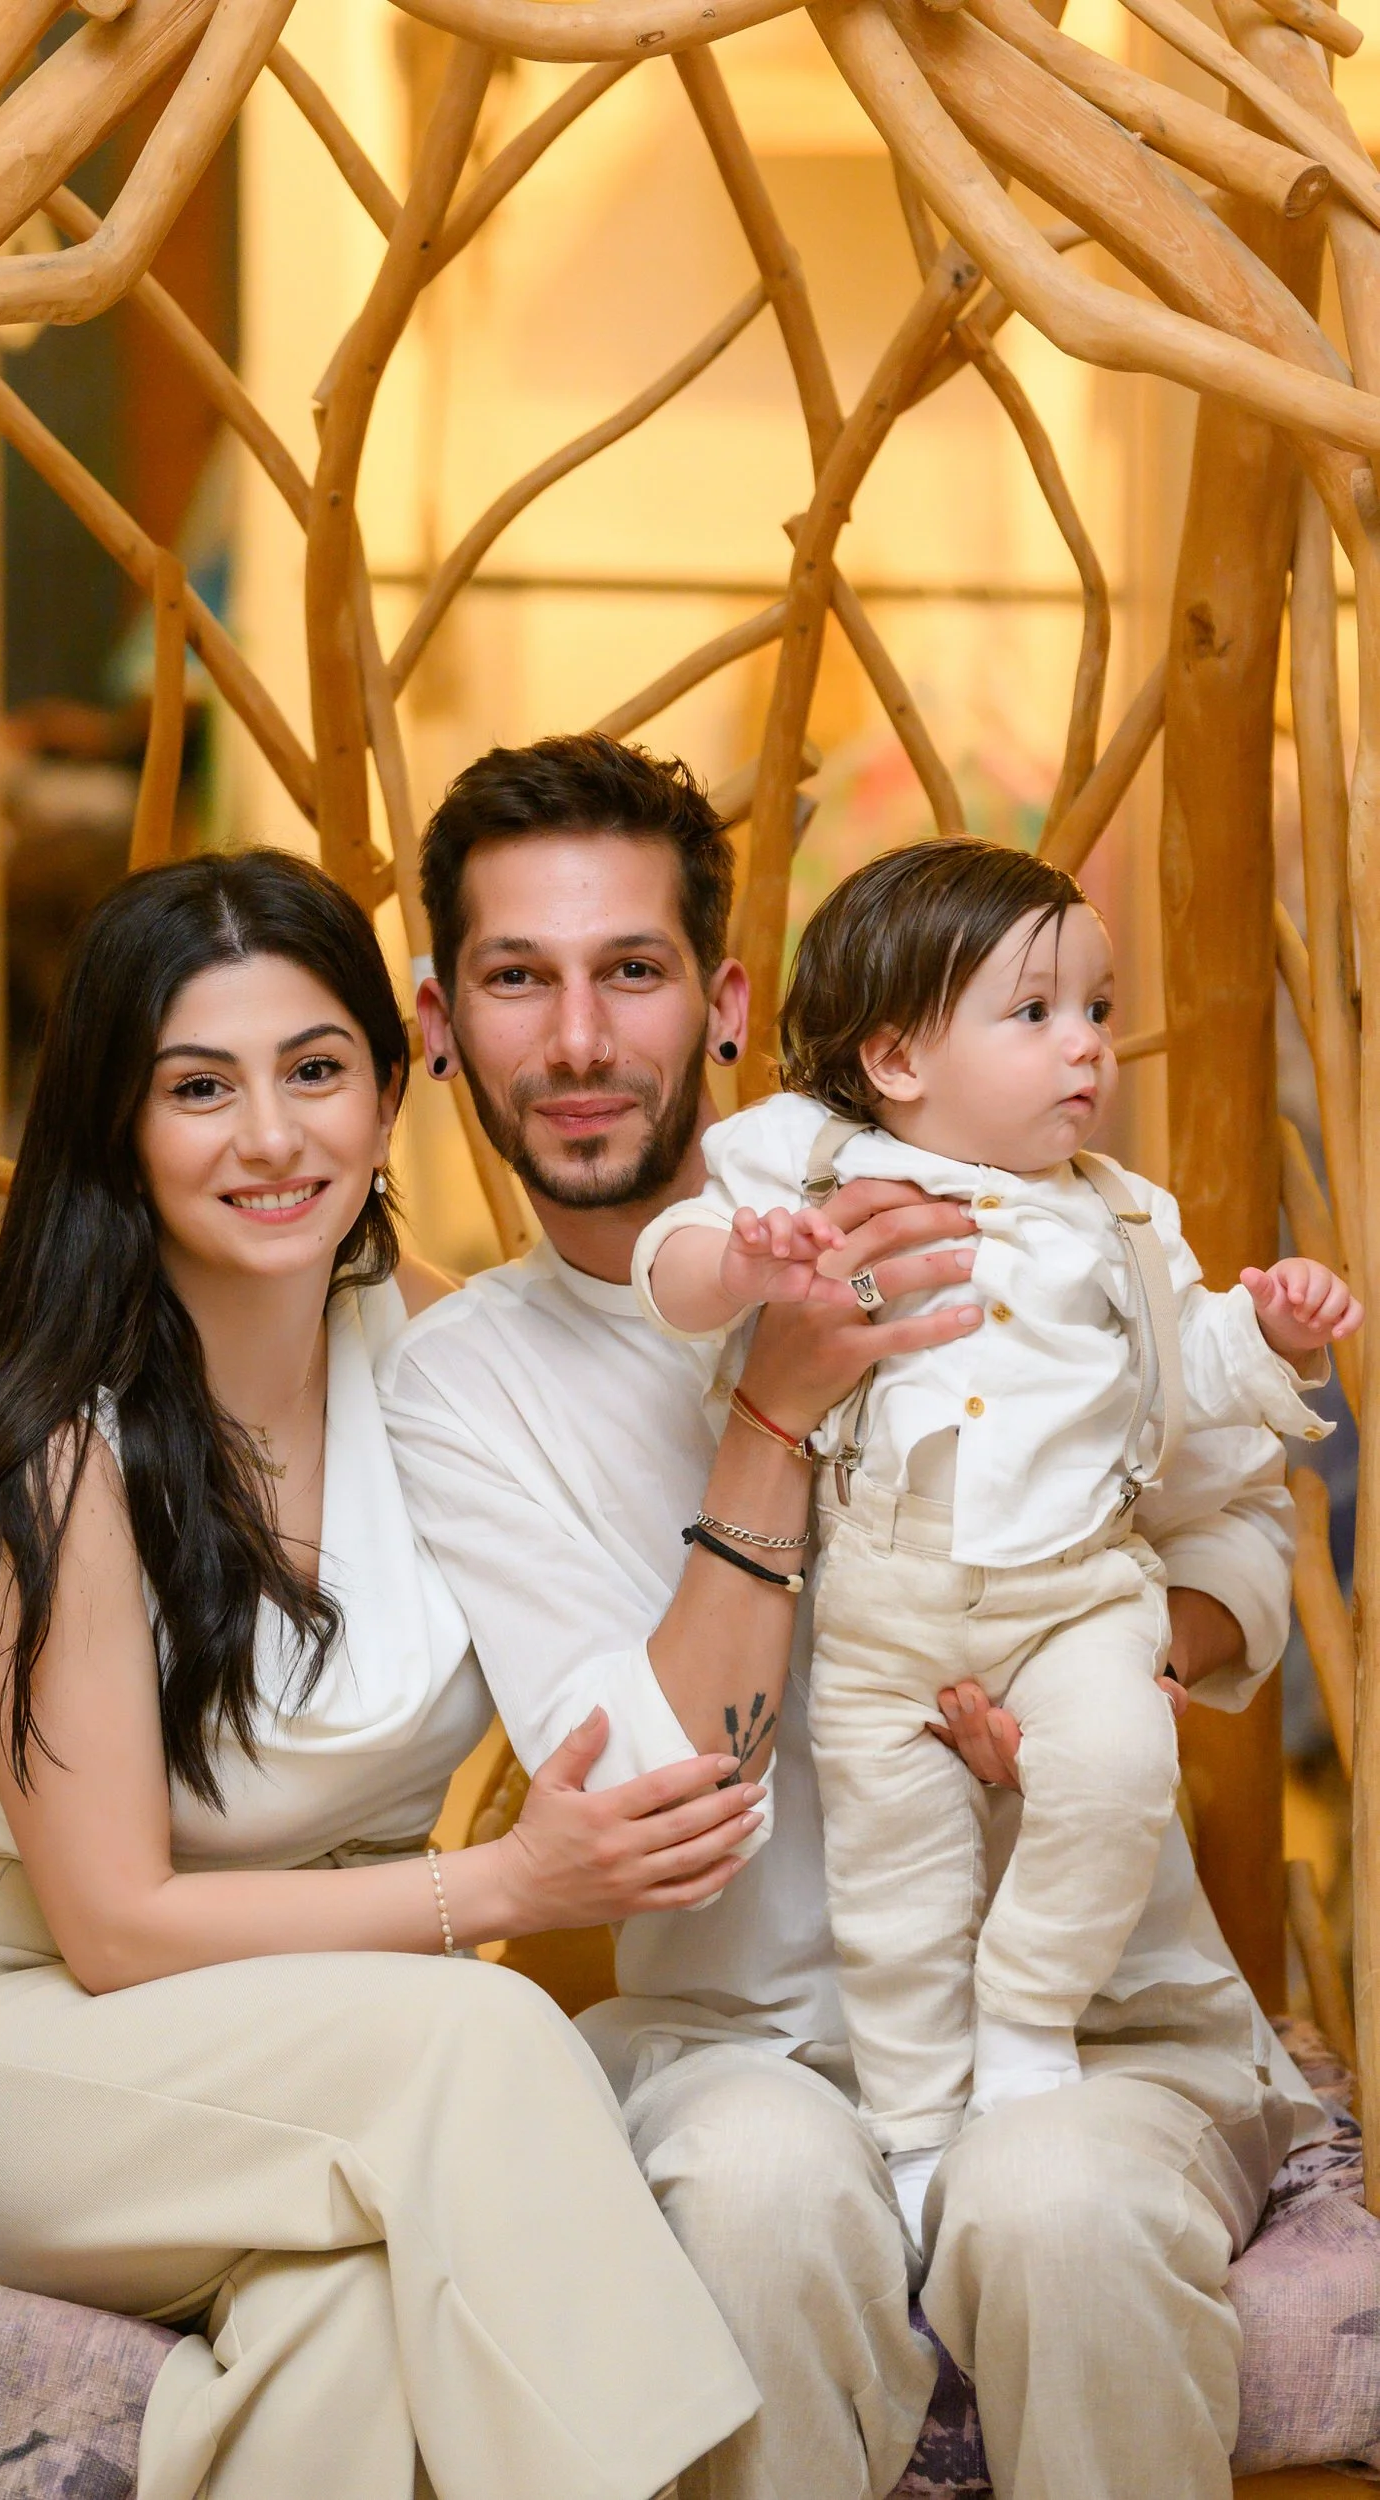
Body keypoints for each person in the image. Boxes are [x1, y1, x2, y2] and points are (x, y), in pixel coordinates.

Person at [378, 733, 1326, 2500]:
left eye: (631, 972)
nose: (579, 1040)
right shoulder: (464, 1383)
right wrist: (774, 1414)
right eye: (518, 979)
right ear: (440, 1022)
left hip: (1102, 2010)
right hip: (738, 2035)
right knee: (751, 2202)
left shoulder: (1000, 1213)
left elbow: (1225, 1511)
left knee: (1057, 2211)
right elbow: (659, 1801)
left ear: (724, 1000)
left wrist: (1137, 1650)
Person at [0, 850, 763, 2500]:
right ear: (118, 1117)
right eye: (200, 1087)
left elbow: (646, 1652)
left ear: (394, 1088)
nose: (270, 1138)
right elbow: (114, 1929)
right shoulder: (53, 1450)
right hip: (17, 2040)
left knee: (343, 2322)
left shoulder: (450, 1364)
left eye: (315, 1072)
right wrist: (508, 1881)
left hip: (318, 2055)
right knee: (482, 2044)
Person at [631, 835, 1355, 2241]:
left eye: (1092, 1009)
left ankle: (1027, 2021)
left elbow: (1188, 1394)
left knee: (1114, 1770)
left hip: (1078, 1601)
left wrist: (1262, 1333)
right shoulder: (811, 1158)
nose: (1084, 1047)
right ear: (896, 1057)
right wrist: (749, 1264)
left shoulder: (1124, 1223)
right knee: (891, 1876)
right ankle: (910, 2137)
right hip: (886, 1616)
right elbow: (678, 1259)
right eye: (1033, 1014)